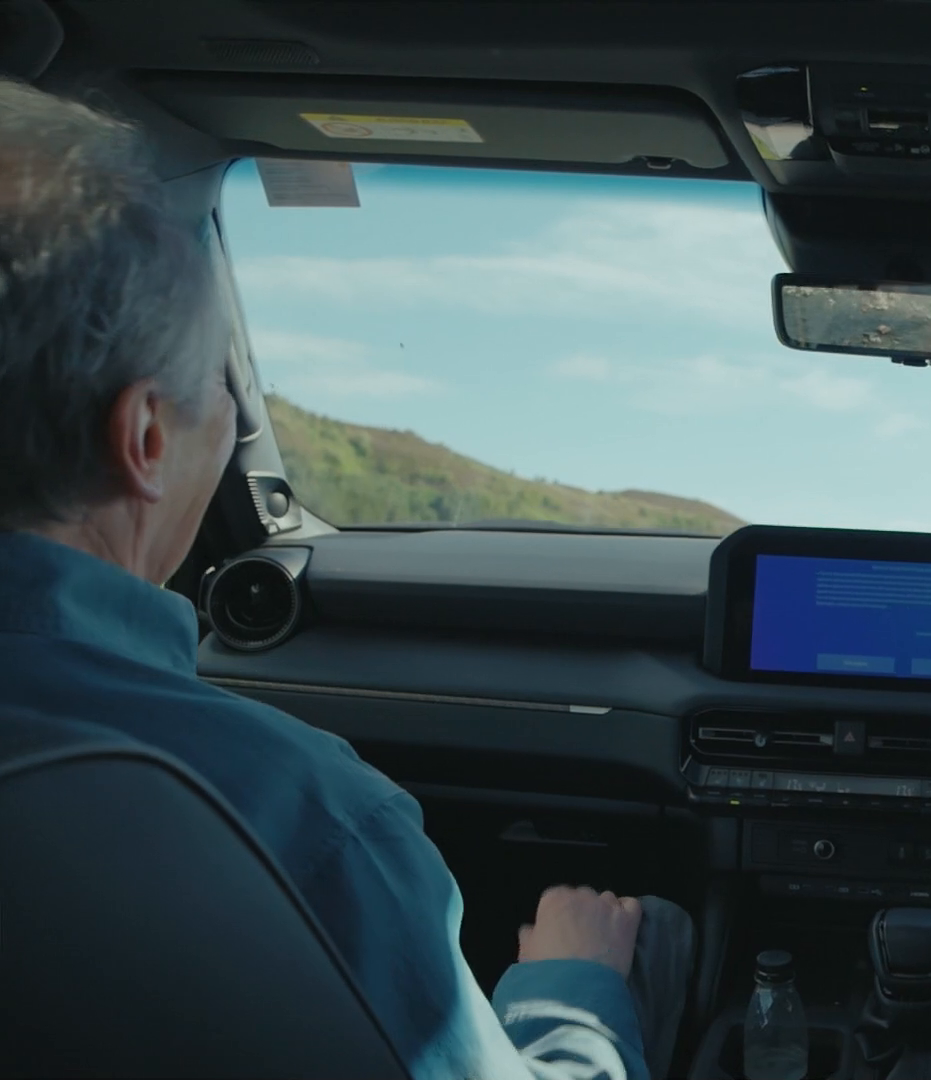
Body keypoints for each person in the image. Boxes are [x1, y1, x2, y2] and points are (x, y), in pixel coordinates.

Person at [0, 80, 689, 1080]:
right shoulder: (292, 813)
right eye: (224, 392)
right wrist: (574, 987)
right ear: (145, 438)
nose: (231, 422)